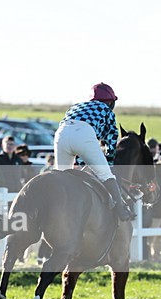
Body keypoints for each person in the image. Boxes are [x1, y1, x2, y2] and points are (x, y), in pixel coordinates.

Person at [53, 82, 132, 221]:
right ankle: (121, 210)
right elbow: (111, 139)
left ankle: (55, 210)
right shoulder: (106, 109)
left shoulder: (76, 106)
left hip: (61, 134)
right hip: (83, 133)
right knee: (106, 174)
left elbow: (75, 140)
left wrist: (81, 162)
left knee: (62, 178)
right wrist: (109, 163)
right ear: (111, 102)